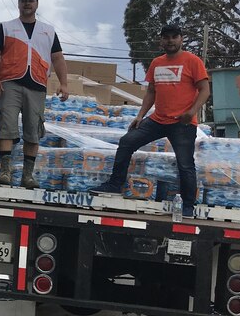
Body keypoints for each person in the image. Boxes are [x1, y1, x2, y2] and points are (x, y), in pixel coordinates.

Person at [90, 24, 210, 217]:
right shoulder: (156, 63)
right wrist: (140, 116)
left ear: (181, 39)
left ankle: (188, 205)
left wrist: (192, 111)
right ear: (161, 40)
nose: (170, 41)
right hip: (158, 120)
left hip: (182, 123)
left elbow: (205, 90)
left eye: (174, 37)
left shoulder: (192, 61)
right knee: (127, 141)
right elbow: (151, 92)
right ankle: (114, 184)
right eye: (166, 37)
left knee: (185, 163)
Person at [0, 0, 69, 189]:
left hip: (37, 85)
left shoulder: (48, 31)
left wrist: (64, 83)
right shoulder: (6, 27)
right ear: (19, 4)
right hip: (10, 83)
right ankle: (5, 172)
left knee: (33, 130)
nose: (27, 4)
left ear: (37, 4)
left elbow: (57, 58)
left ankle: (27, 176)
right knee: (6, 126)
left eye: (31, 0)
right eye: (24, 0)